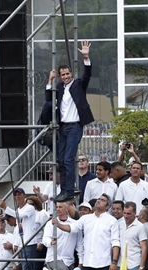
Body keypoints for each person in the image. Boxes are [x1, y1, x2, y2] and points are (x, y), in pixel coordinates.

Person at [46, 41, 94, 202]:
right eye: (63, 75)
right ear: (60, 76)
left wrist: (86, 57)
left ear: (71, 73)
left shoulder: (78, 84)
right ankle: (64, 189)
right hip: (63, 127)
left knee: (68, 158)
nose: (66, 77)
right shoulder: (59, 87)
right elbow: (48, 99)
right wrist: (50, 80)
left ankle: (69, 189)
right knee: (60, 159)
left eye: (68, 74)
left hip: (75, 126)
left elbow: (87, 75)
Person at [53, 193, 120, 270]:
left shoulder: (112, 221)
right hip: (88, 263)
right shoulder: (86, 219)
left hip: (104, 263)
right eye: (98, 198)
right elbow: (72, 228)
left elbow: (115, 242)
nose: (99, 201)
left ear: (107, 206)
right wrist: (58, 224)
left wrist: (114, 262)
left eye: (103, 200)